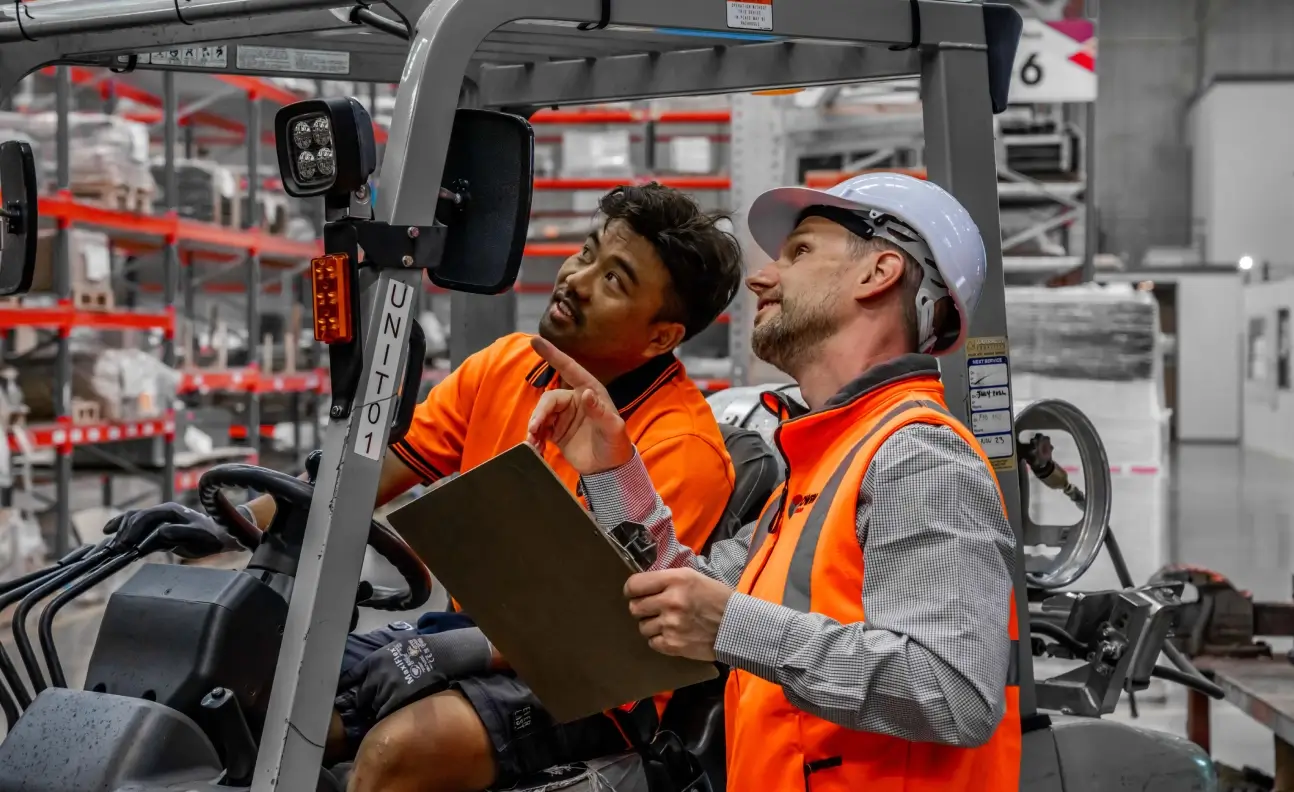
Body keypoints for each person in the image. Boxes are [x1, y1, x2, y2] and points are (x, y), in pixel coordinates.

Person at [108, 183, 746, 792]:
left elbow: (614, 635)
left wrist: (454, 650)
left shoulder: (676, 447)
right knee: (254, 687)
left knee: (400, 750)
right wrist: (222, 522)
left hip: (591, 686)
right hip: (475, 634)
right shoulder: (506, 366)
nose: (575, 280)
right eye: (588, 251)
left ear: (661, 337)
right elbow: (365, 476)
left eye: (614, 280)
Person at [526, 172, 1023, 791]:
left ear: (881, 272)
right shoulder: (819, 462)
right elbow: (686, 597)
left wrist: (733, 627)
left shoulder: (918, 456)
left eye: (800, 252)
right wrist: (612, 466)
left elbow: (952, 691)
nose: (762, 277)